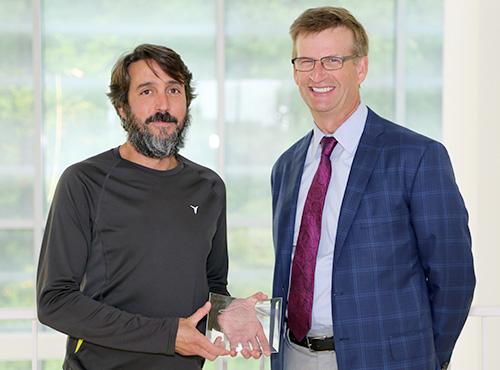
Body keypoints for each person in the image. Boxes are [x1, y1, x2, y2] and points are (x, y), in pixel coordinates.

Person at [270, 7, 475, 370]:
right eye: (306, 61)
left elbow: (454, 277)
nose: (317, 74)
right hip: (295, 357)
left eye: (333, 60)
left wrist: (427, 360)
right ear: (295, 71)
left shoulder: (417, 156)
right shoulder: (286, 167)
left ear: (360, 68)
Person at [37, 44, 231, 370]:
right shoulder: (83, 182)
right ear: (122, 109)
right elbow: (55, 301)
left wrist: (233, 313)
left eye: (174, 90)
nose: (163, 104)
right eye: (146, 91)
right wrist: (166, 335)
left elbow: (213, 287)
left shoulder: (209, 187)